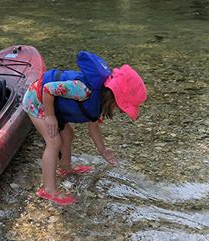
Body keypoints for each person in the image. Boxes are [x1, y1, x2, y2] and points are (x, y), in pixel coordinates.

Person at [22, 51, 147, 205]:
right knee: (54, 142)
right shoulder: (83, 90)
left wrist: (103, 150)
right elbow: (48, 89)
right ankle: (48, 190)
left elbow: (93, 127)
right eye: (121, 107)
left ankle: (65, 168)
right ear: (113, 98)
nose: (120, 110)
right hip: (37, 101)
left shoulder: (99, 100)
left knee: (68, 135)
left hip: (52, 105)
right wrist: (50, 116)